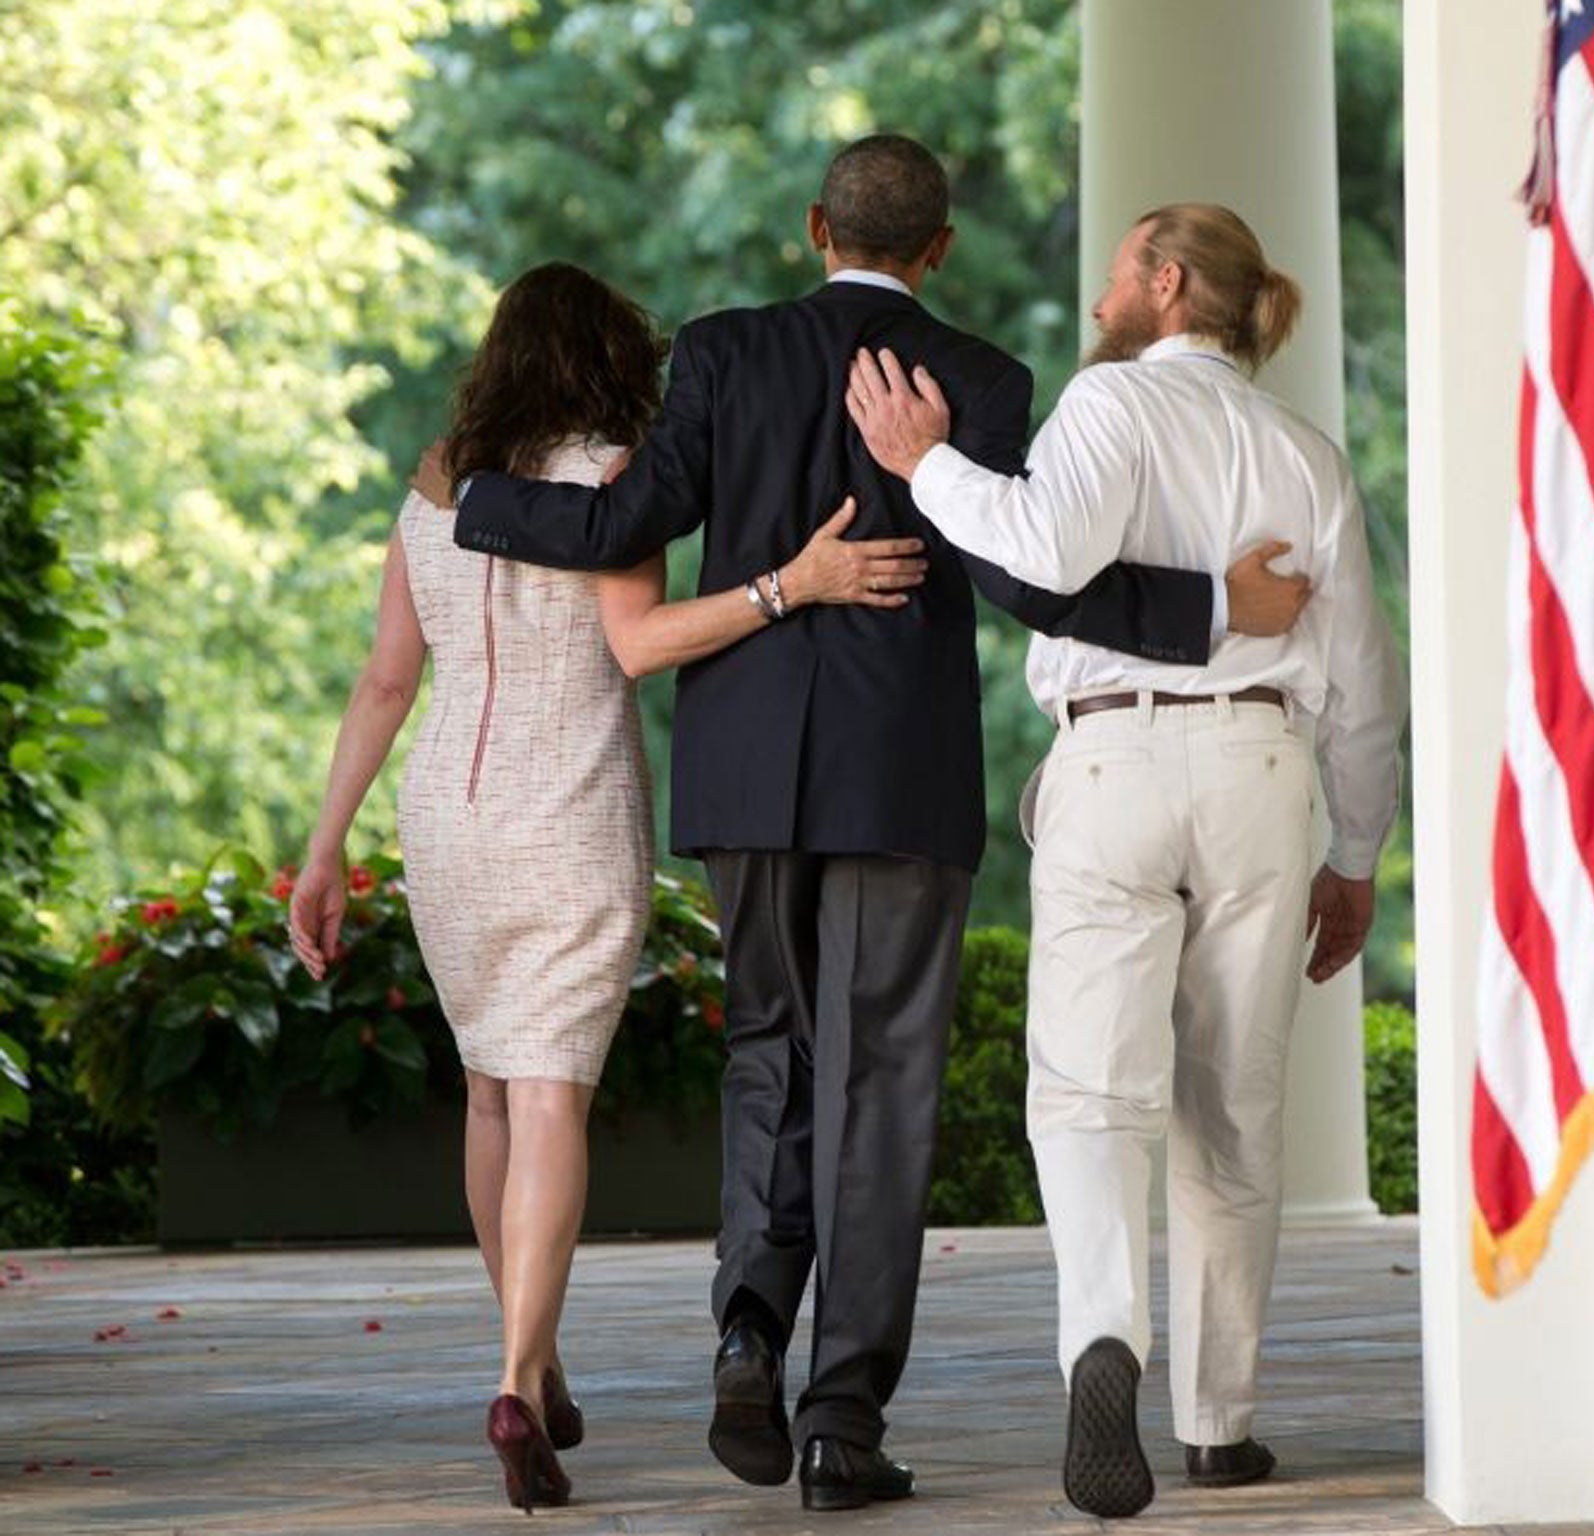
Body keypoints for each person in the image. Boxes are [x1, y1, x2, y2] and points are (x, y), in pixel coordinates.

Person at [441, 138, 1311, 1514]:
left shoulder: (723, 353)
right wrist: (1212, 616)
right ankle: (842, 1426)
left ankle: (745, 1332)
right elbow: (1040, 578)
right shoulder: (982, 380)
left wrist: (478, 499)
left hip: (743, 774)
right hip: (901, 779)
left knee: (767, 1054)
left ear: (812, 226)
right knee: (881, 1089)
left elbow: (627, 516)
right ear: (942, 248)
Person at [287, 261, 925, 1513]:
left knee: (488, 1093)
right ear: (608, 358)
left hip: (448, 822)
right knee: (551, 1097)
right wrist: (790, 584)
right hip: (570, 810)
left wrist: (323, 849)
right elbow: (637, 646)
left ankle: (533, 1361)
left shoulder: (437, 486)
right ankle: (521, 1371)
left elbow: (382, 682)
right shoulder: (610, 477)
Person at [846, 201, 1408, 1520]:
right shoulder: (1307, 456)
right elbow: (1365, 685)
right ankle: (1221, 1423)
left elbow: (1040, 550)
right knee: (1237, 1103)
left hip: (1113, 761)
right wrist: (1358, 854)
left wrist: (925, 461)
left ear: (1166, 286)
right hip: (1266, 773)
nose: (1100, 299)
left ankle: (1106, 1342)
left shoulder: (1111, 410)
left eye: (1115, 277)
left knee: (1092, 1089)